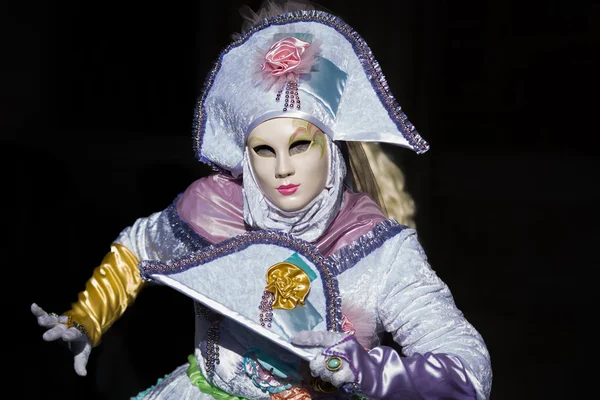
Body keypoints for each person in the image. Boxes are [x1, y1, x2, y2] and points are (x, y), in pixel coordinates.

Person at [32, 1, 492, 399]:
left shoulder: (380, 250)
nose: (283, 169)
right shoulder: (212, 209)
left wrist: (364, 370)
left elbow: (469, 374)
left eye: (299, 146)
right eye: (264, 151)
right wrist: (88, 318)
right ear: (246, 157)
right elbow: (137, 249)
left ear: (330, 149)